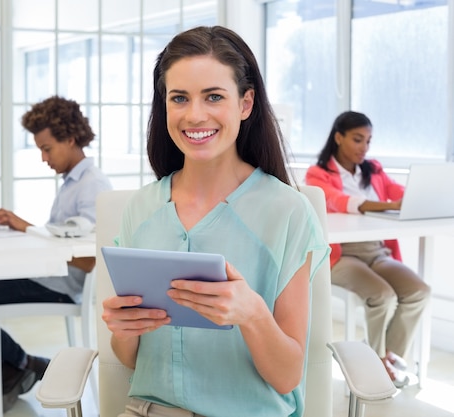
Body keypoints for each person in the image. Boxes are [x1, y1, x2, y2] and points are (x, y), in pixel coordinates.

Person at [101, 26, 329, 417]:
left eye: (214, 97)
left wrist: (252, 315)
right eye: (180, 98)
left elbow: (288, 376)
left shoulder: (287, 211)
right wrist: (124, 330)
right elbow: (131, 360)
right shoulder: (141, 208)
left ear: (245, 103)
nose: (195, 115)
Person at [0, 96, 112, 415]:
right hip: (48, 276)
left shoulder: (92, 186)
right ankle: (21, 366)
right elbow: (62, 238)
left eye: (47, 148)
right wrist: (19, 229)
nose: (43, 158)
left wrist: (27, 228)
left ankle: (21, 366)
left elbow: (90, 257)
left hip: (62, 288)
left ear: (71, 139)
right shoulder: (72, 183)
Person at [305, 110, 431, 388]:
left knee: (418, 291)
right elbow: (341, 202)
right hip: (341, 255)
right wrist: (388, 205)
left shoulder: (374, 170)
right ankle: (375, 365)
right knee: (382, 295)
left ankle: (387, 356)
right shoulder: (318, 174)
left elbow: (400, 193)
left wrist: (420, 196)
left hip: (376, 251)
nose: (364, 148)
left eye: (368, 141)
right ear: (338, 137)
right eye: (357, 139)